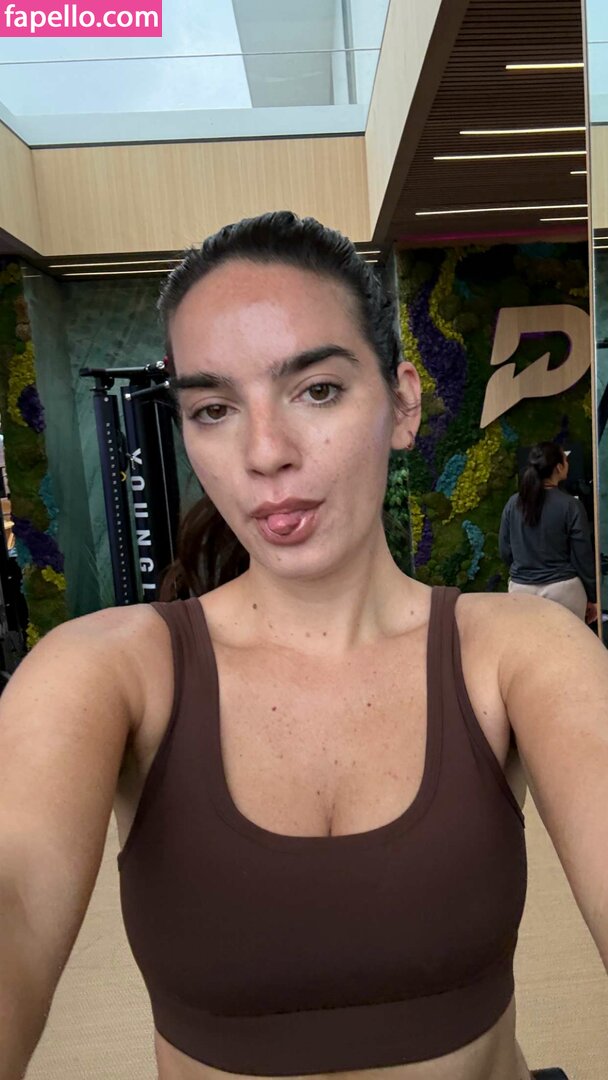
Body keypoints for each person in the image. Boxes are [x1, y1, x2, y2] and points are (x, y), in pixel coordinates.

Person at [1, 213, 607, 1080]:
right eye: (214, 409)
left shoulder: (519, 650)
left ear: (402, 403)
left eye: (316, 390)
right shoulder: (106, 669)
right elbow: (16, 895)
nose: (265, 453)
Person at [499, 442, 598, 624]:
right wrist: (593, 596)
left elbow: (505, 551)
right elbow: (582, 555)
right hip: (564, 590)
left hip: (521, 591)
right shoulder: (571, 505)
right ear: (559, 467)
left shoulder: (513, 504)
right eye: (566, 460)